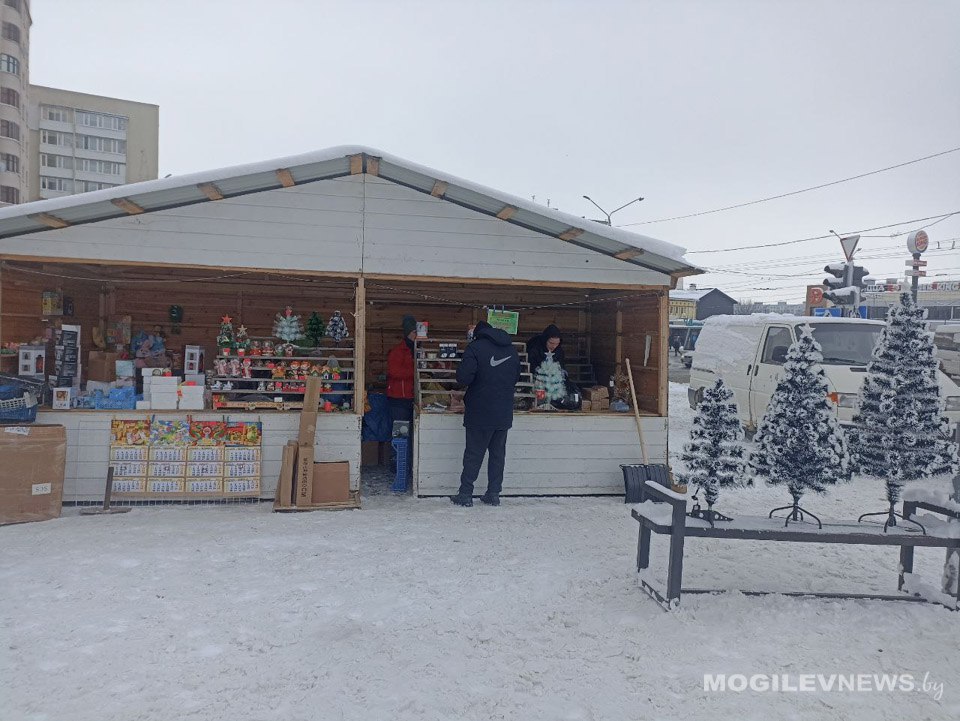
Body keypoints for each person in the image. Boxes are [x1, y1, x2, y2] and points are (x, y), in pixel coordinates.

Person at [451, 321, 521, 507]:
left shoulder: (475, 348)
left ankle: (465, 494)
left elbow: (463, 377)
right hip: (503, 412)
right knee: (498, 455)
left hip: (480, 411)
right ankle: (494, 493)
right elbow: (516, 377)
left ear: (478, 334)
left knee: (474, 454)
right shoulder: (512, 350)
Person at [386, 315, 417, 459]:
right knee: (400, 433)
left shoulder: (417, 350)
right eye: (413, 332)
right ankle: (397, 464)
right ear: (408, 333)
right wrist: (416, 372)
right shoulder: (398, 351)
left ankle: (408, 463)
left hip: (412, 398)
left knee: (412, 434)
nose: (416, 335)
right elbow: (394, 372)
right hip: (399, 400)